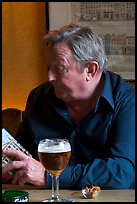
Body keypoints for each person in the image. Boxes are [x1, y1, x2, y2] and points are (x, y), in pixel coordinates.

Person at [2, 24, 135, 189]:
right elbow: (21, 158)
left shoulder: (128, 101)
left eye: (59, 69)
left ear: (90, 70)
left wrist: (48, 176)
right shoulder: (39, 97)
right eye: (48, 68)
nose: (49, 77)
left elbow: (121, 172)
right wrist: (8, 167)